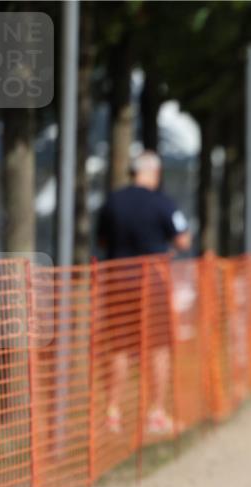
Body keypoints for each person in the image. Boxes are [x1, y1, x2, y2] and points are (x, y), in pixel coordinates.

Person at [96, 150, 191, 435]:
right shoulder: (162, 202)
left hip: (118, 281)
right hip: (153, 282)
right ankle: (156, 413)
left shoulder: (113, 200)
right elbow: (183, 240)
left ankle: (112, 412)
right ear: (156, 173)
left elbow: (101, 239)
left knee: (121, 347)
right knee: (158, 347)